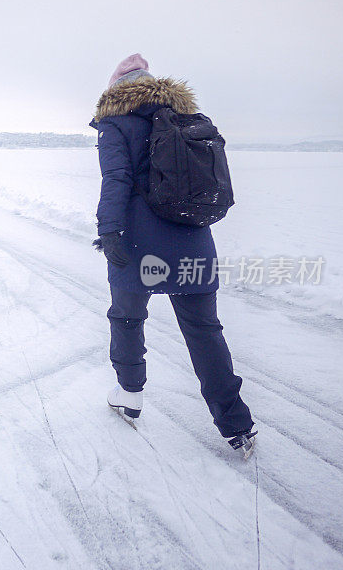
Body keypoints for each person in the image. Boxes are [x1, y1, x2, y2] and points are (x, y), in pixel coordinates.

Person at [92, 53, 256, 454]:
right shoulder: (186, 120)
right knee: (204, 331)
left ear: (117, 90)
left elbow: (116, 178)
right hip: (192, 238)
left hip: (136, 243)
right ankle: (237, 426)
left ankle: (129, 396)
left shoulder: (116, 123)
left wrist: (108, 231)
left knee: (127, 317)